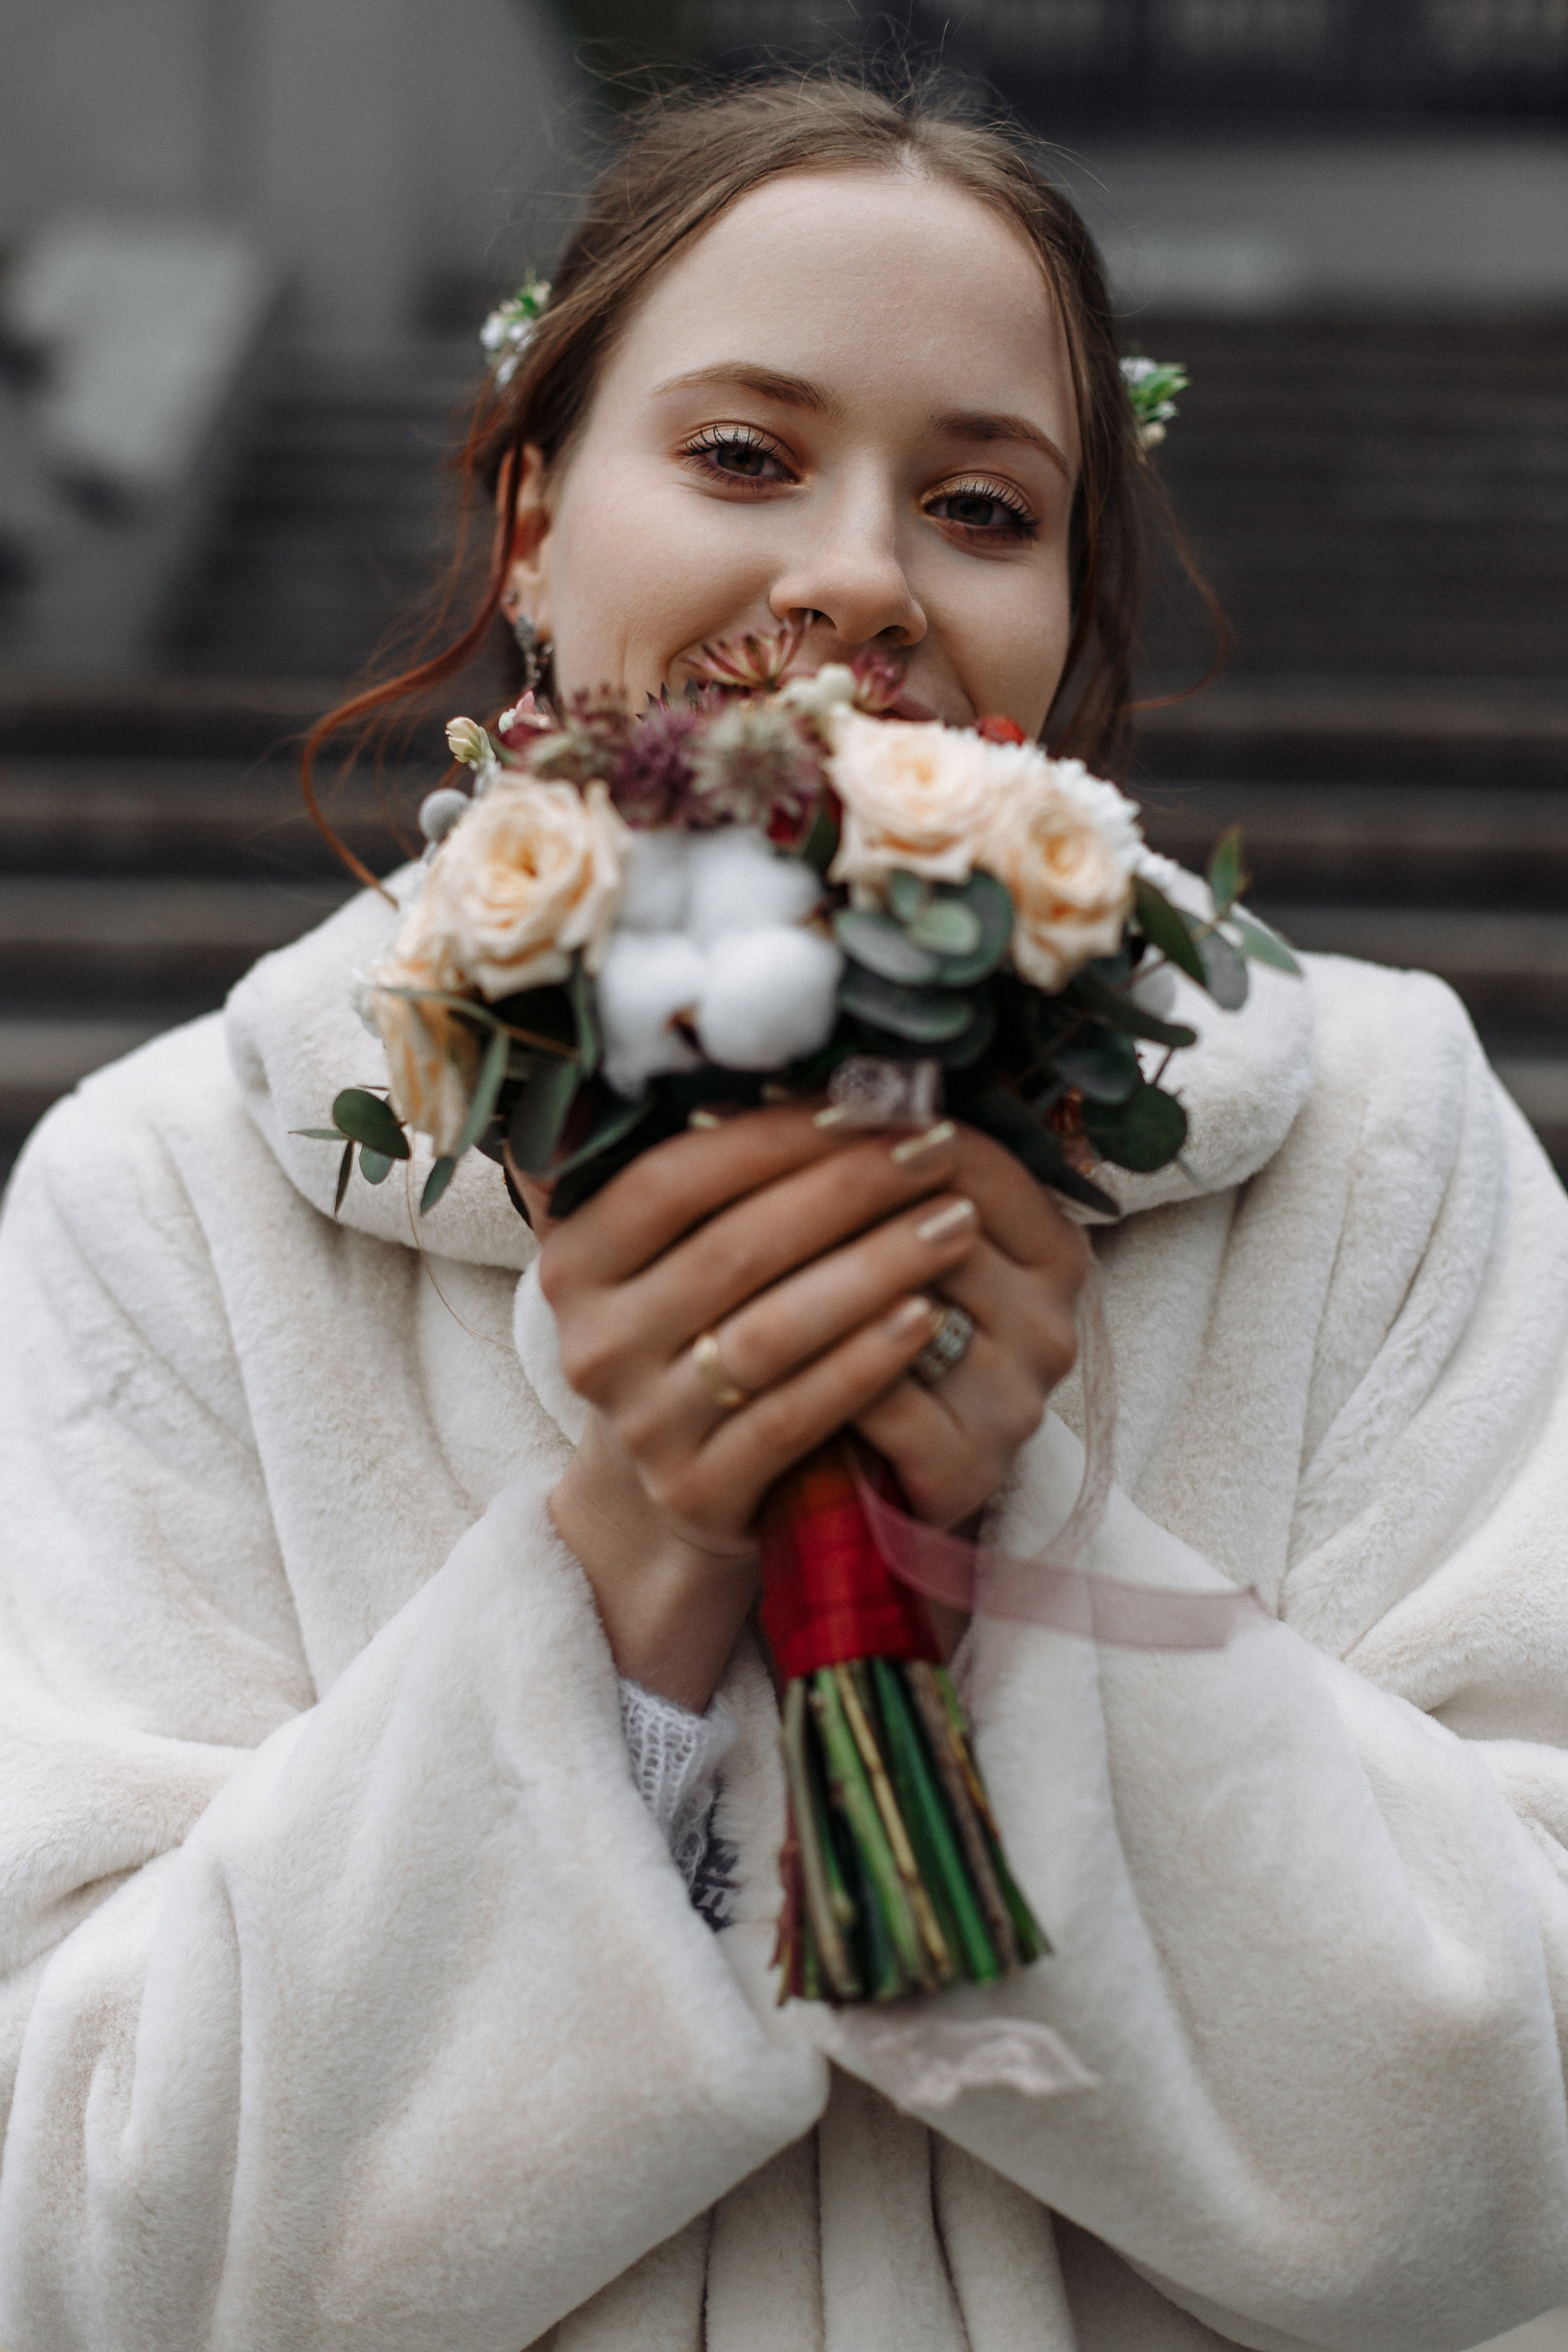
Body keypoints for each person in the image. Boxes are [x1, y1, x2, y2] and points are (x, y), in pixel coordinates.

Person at [1, 71, 1566, 2352]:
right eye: (742, 456)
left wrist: (996, 1541)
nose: (857, 574)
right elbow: (89, 2235)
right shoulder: (177, 1203)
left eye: (980, 503)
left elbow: (1525, 2166)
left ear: (1063, 611)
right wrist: (641, 1543)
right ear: (532, 525)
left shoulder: (1377, 1145)